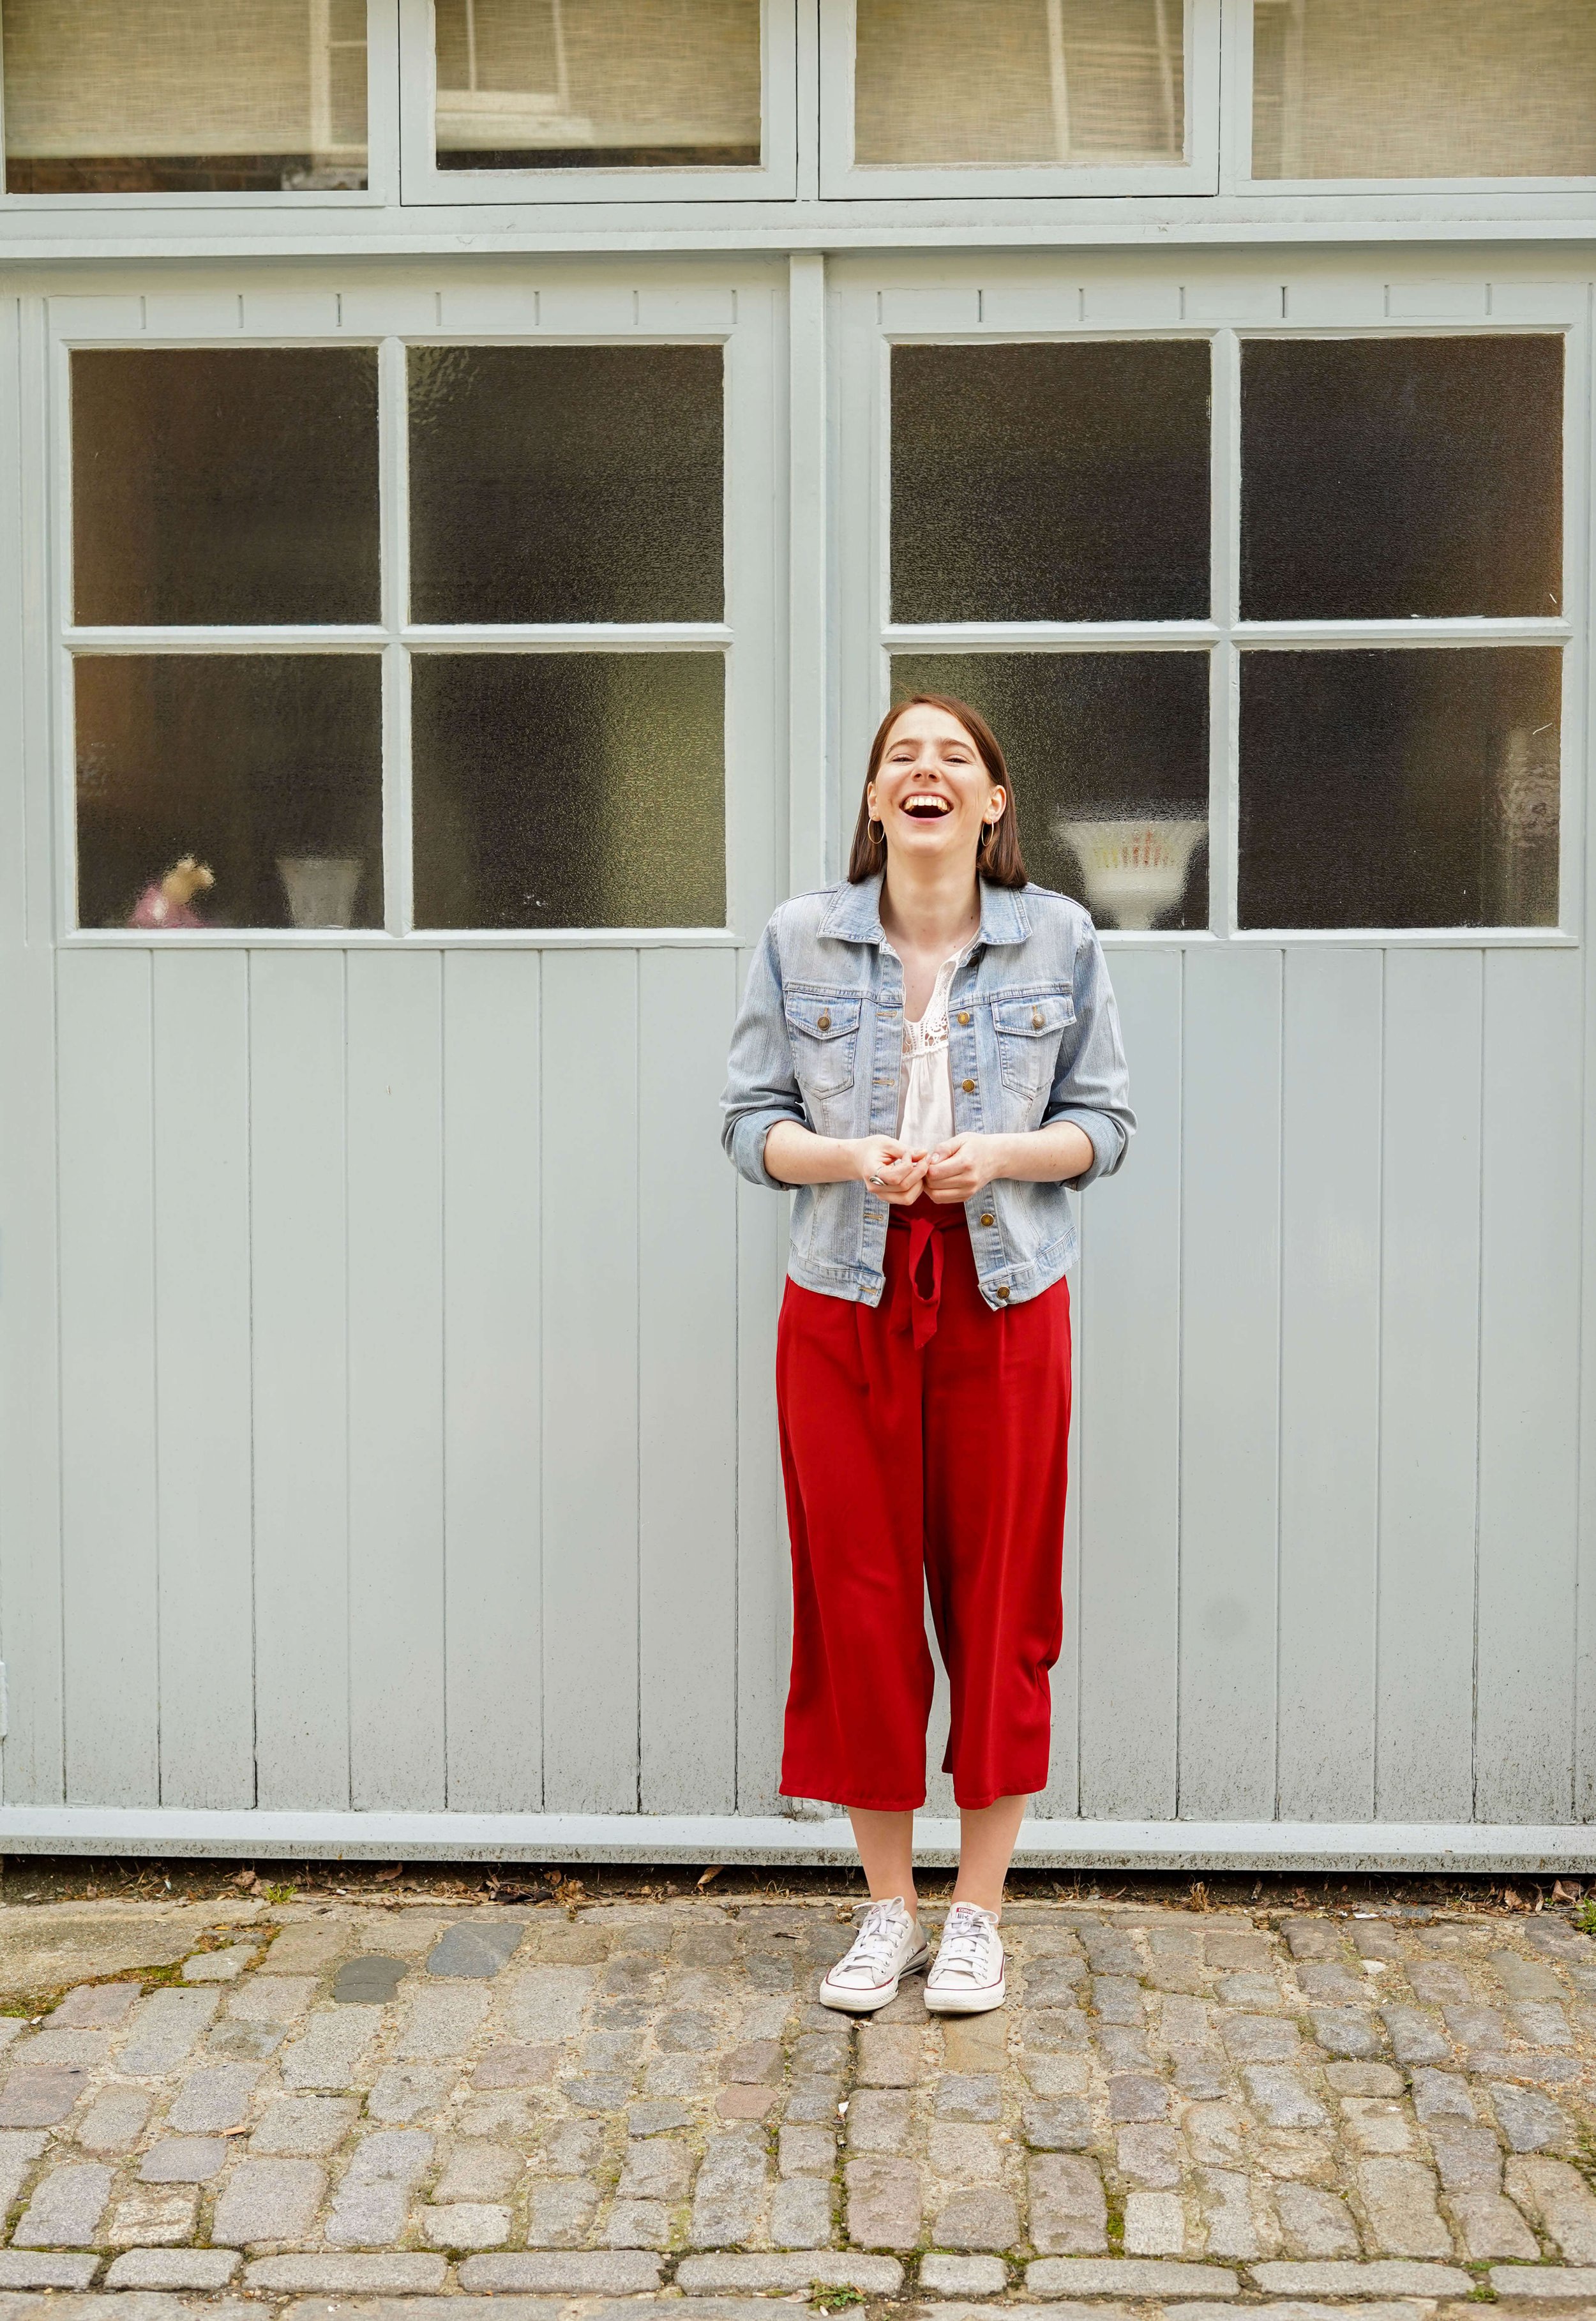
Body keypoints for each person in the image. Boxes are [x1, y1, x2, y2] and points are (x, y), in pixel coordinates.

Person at [721, 693, 1134, 2016]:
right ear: (873, 798)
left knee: (999, 1594)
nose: (925, 770)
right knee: (854, 1597)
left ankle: (975, 1916)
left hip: (1003, 1296)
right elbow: (746, 1123)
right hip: (838, 1297)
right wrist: (847, 1159)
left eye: (952, 757)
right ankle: (885, 1910)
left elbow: (1104, 1124)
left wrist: (995, 1157)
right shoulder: (798, 938)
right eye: (902, 754)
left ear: (992, 802)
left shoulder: (1056, 938)